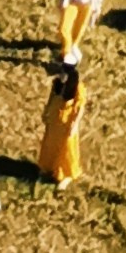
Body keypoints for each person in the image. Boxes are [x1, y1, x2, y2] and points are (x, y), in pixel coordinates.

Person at [38, 62, 84, 190]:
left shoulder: (78, 87)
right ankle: (49, 168)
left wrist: (74, 125)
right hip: (55, 119)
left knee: (67, 149)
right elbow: (52, 97)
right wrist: (46, 112)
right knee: (51, 144)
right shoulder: (58, 83)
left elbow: (80, 108)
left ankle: (66, 175)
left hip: (67, 123)